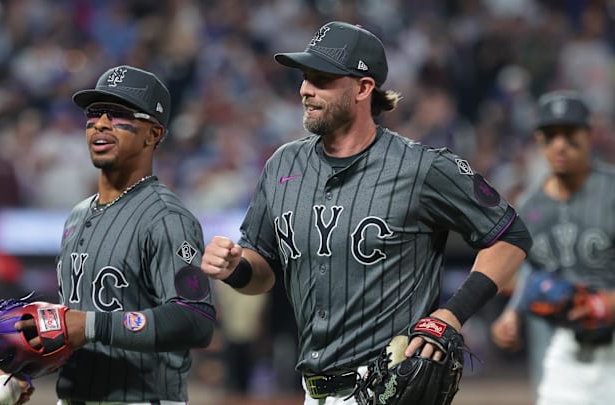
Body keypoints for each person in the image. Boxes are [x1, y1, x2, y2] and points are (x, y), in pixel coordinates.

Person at [200, 21, 532, 404]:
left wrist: (451, 314)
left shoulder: (419, 167)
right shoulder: (281, 165)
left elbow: (511, 234)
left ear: (363, 88)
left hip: (391, 387)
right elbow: (265, 271)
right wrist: (236, 268)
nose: (306, 90)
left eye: (322, 79)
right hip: (315, 391)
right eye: (306, 77)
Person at [0, 65, 216, 405]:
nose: (100, 123)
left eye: (119, 114)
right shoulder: (77, 216)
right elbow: (75, 329)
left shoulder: (168, 218)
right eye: (94, 113)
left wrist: (90, 326)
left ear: (153, 133)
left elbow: (196, 319)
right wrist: (27, 369)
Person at [490, 90, 615, 405]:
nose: (560, 144)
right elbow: (530, 269)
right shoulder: (530, 205)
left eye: (570, 134)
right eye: (551, 135)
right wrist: (512, 314)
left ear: (588, 135)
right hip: (562, 346)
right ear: (539, 140)